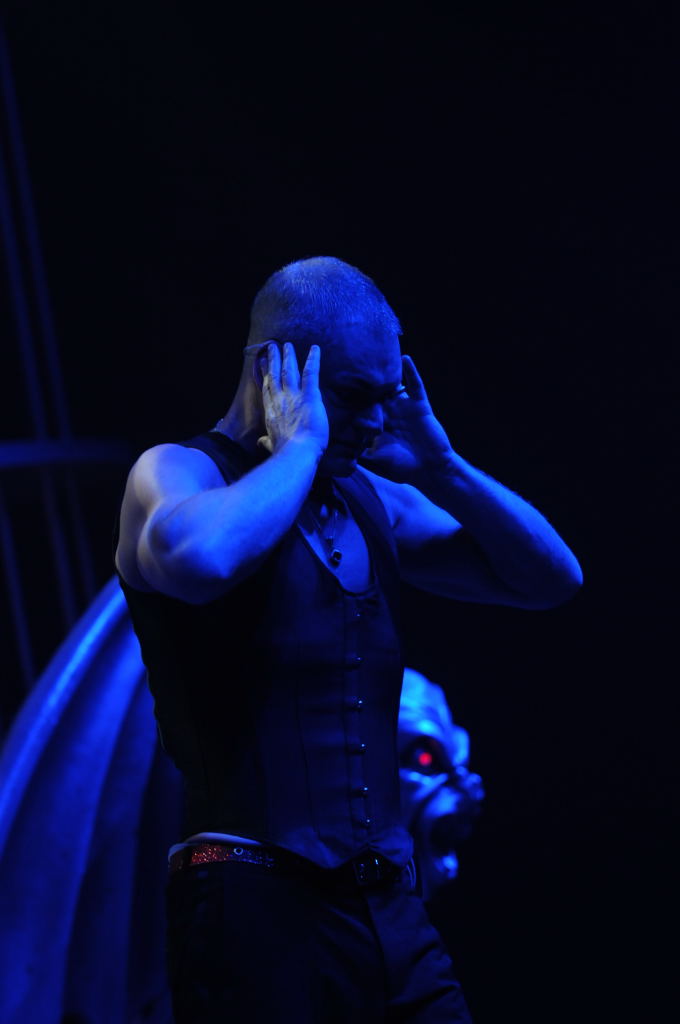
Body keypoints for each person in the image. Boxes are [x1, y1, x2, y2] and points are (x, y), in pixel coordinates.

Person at [114, 255, 582, 1022]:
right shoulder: (178, 472)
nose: (372, 425)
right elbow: (200, 561)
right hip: (250, 909)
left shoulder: (372, 501)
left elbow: (550, 580)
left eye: (386, 399)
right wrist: (299, 447)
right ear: (275, 370)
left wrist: (442, 466)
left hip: (388, 909)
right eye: (355, 397)